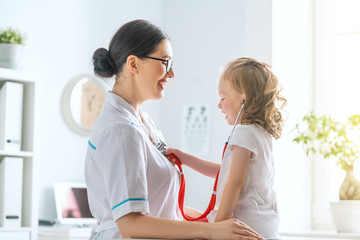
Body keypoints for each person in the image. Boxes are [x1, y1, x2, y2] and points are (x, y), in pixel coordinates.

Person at [84, 19, 263, 240]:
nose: (171, 74)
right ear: (133, 64)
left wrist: (220, 224)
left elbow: (164, 209)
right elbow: (130, 225)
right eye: (165, 62)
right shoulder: (119, 129)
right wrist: (210, 231)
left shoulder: (142, 122)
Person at [166, 57, 287, 239]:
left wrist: (217, 227)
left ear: (244, 100)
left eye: (223, 98)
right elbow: (226, 173)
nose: (219, 105)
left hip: (243, 227)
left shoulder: (243, 132)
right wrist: (186, 158)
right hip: (264, 227)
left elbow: (234, 182)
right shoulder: (261, 134)